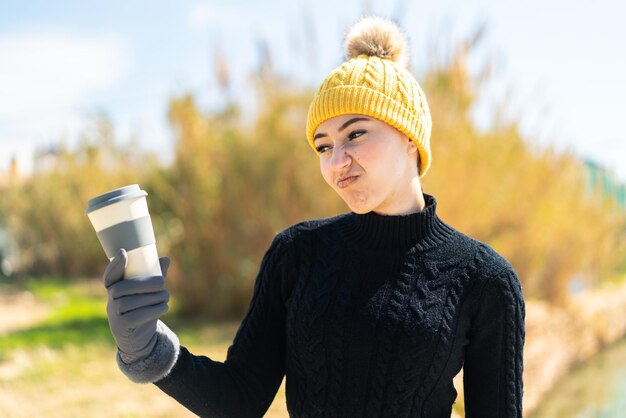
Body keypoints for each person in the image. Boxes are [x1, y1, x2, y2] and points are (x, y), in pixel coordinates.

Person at [102, 16, 525, 418]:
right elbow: (238, 399)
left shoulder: (485, 280)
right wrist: (148, 349)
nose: (337, 161)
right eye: (323, 146)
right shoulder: (297, 253)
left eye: (355, 134)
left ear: (410, 138)